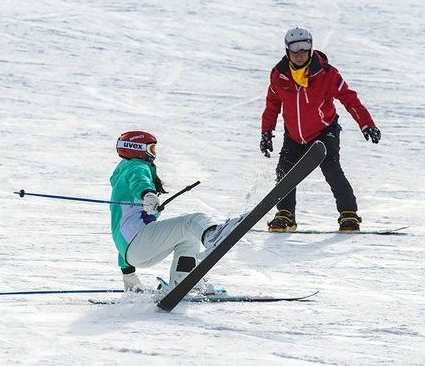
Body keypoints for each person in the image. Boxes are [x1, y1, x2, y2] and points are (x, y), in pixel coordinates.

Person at [260, 27, 381, 232]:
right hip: (294, 136)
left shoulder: (327, 73)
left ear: (311, 48)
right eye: (295, 50)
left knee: (332, 171)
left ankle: (348, 214)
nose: (299, 54)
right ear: (287, 51)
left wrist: (367, 124)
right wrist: (266, 133)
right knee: (284, 173)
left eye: (304, 49)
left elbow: (349, 99)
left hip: (324, 132)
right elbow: (272, 105)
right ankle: (285, 213)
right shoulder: (279, 76)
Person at [110, 131, 239, 292]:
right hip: (138, 243)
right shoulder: (136, 166)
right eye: (152, 149)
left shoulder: (123, 179)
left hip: (133, 251)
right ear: (137, 148)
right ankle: (212, 236)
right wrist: (147, 193)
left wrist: (129, 276)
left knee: (189, 236)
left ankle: (183, 281)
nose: (154, 154)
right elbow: (139, 181)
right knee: (192, 221)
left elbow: (122, 234)